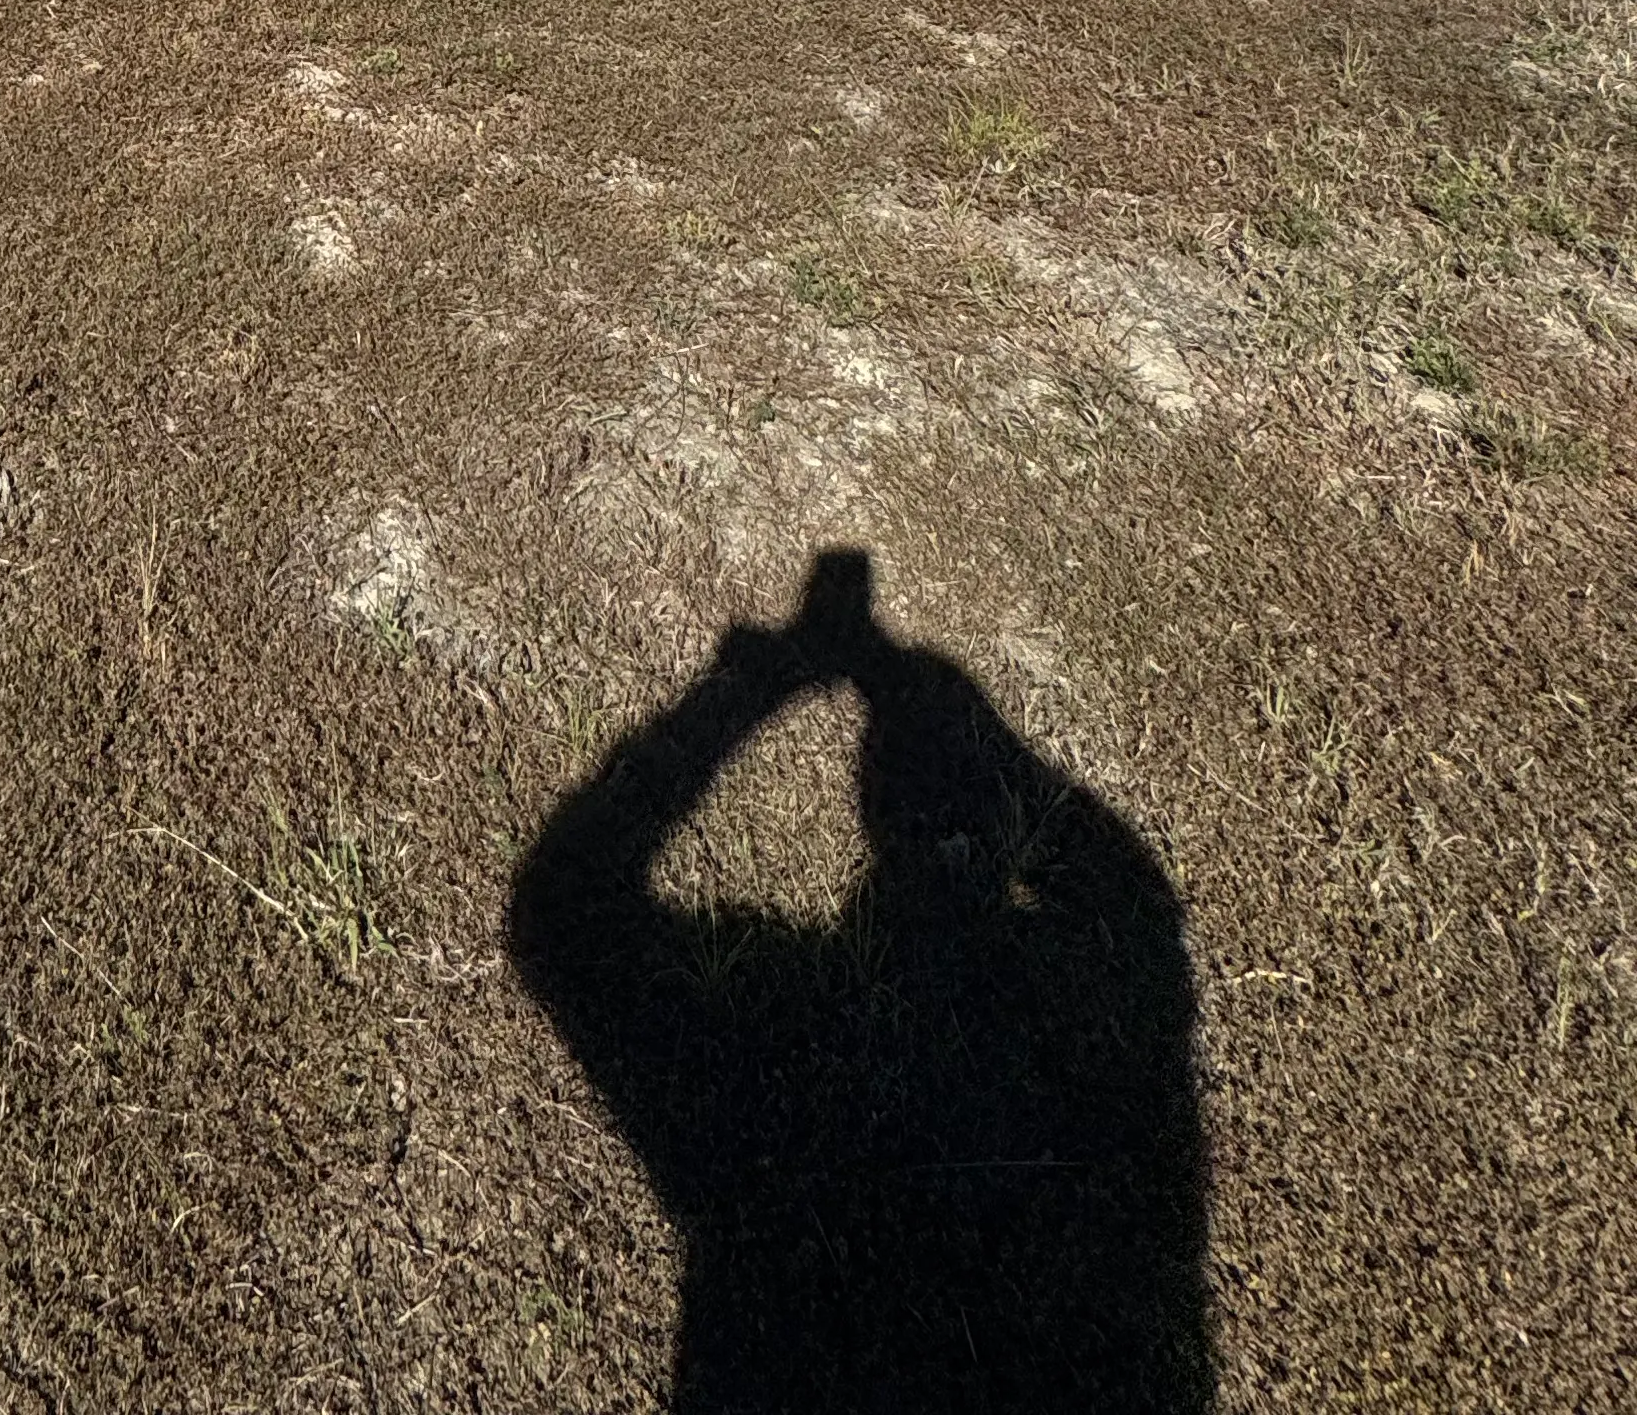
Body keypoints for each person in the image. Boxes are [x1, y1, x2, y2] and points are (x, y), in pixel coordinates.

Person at [508, 549, 1211, 1411]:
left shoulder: (766, 1083)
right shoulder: (1094, 1048)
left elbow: (560, 908)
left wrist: (759, 681)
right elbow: (1129, 894)